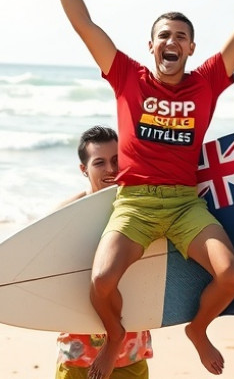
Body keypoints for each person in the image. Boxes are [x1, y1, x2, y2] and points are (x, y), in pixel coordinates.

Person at [41, 0, 234, 378]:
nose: (172, 42)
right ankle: (114, 336)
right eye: (164, 35)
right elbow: (84, 24)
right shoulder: (127, 77)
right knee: (101, 280)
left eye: (181, 36)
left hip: (185, 205)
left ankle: (198, 329)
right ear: (151, 46)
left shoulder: (206, 82)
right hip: (136, 205)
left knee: (231, 275)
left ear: (191, 48)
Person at [54, 125, 153, 379]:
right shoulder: (64, 216)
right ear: (84, 169)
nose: (111, 169)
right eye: (100, 162)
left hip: (130, 351)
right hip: (78, 352)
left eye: (117, 160)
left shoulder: (144, 209)